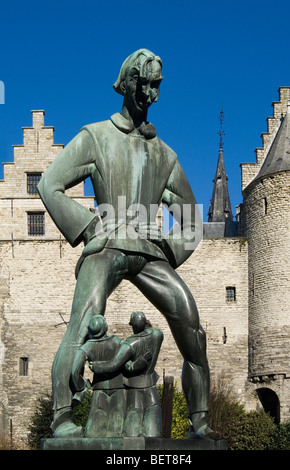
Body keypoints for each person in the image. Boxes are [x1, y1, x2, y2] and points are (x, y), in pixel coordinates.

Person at [37, 48, 214, 439]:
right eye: (144, 84)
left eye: (156, 86)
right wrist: (87, 228)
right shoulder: (95, 137)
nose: (150, 94)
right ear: (127, 82)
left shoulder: (164, 155)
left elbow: (190, 216)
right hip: (108, 246)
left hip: (149, 254)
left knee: (191, 325)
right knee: (82, 322)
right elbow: (49, 184)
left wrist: (169, 247)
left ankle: (200, 421)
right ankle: (62, 416)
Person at [90, 311, 163, 437]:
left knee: (133, 423)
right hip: (151, 384)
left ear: (132, 326)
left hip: (134, 387)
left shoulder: (130, 344)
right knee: (153, 424)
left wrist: (97, 366)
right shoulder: (158, 334)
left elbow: (114, 364)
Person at [70, 315, 126, 438]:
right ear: (105, 327)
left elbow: (74, 371)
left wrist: (81, 387)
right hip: (119, 389)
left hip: (99, 390)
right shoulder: (119, 343)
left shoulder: (87, 347)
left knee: (94, 432)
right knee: (117, 431)